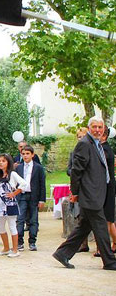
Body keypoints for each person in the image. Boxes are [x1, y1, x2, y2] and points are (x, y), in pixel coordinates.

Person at [52, 116, 116, 271]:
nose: (97, 130)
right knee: (101, 227)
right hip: (90, 194)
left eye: (100, 127)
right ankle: (110, 261)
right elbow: (76, 171)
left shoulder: (97, 144)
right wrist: (75, 192)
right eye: (94, 127)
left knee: (84, 227)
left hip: (98, 193)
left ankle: (62, 253)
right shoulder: (84, 144)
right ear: (89, 128)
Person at [0, 153, 27, 258]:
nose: (1, 163)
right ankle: (6, 247)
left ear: (8, 162)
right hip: (1, 205)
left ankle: (15, 249)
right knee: (0, 226)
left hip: (10, 204)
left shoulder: (12, 174)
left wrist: (14, 193)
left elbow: (23, 183)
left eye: (3, 161)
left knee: (12, 226)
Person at [15, 145, 46, 252]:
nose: (25, 156)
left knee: (33, 219)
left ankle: (32, 241)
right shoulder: (18, 168)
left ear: (32, 155)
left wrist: (42, 199)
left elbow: (42, 184)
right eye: (23, 154)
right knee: (20, 219)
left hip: (34, 196)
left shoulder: (38, 167)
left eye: (27, 154)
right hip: (22, 196)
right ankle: (19, 241)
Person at [93, 126, 116, 257]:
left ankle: (103, 248)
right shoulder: (105, 149)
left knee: (106, 220)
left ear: (104, 136)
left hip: (106, 188)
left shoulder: (104, 150)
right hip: (107, 187)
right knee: (108, 220)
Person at [67, 127, 89, 252]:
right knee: (78, 215)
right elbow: (68, 169)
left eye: (83, 136)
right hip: (76, 186)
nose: (80, 139)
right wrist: (74, 173)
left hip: (88, 187)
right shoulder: (73, 152)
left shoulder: (91, 149)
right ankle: (83, 244)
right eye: (79, 137)